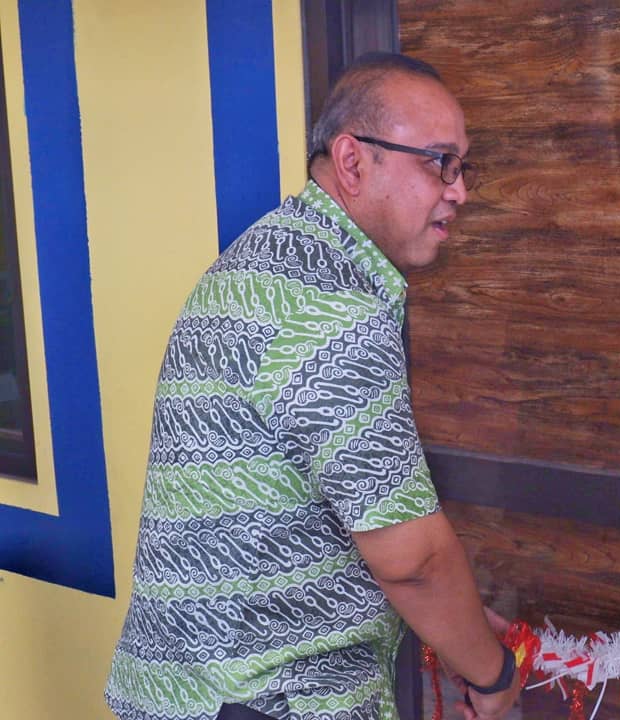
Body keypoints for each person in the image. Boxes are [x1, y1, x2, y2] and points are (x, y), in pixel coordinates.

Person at [106, 52, 519, 720]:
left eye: (463, 166)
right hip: (263, 701)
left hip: (184, 689)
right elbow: (413, 561)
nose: (459, 190)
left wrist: (458, 627)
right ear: (353, 161)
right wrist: (492, 673)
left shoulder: (263, 261)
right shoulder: (331, 311)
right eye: (439, 162)